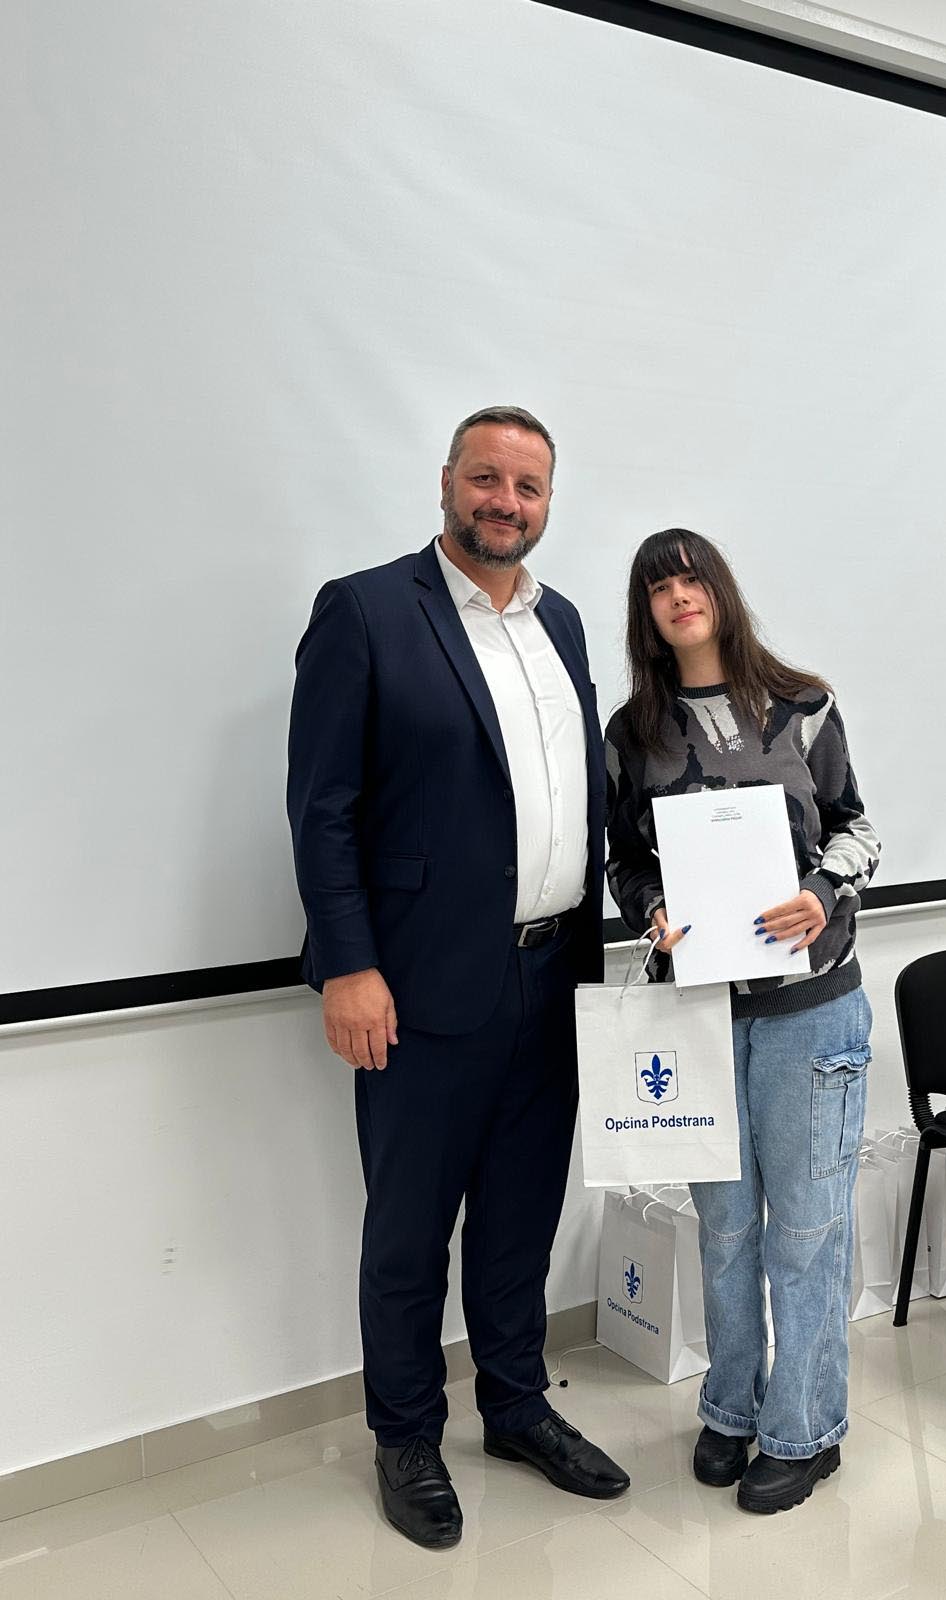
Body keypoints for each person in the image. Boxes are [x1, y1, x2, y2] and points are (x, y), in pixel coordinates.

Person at [287, 406, 629, 1551]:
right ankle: (407, 1436)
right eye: (487, 478)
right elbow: (323, 808)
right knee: (410, 1232)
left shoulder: (560, 619)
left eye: (528, 487)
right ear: (446, 482)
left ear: (548, 502)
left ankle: (518, 1409)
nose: (505, 502)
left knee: (522, 1220)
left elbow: (569, 795)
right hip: (420, 987)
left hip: (554, 976)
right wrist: (348, 965)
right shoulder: (366, 611)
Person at [604, 528, 881, 1515]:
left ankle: (804, 1431)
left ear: (719, 589)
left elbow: (858, 826)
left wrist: (820, 891)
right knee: (724, 1231)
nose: (679, 596)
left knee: (804, 1234)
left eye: (692, 578)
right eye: (659, 587)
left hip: (811, 1011)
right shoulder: (633, 732)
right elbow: (624, 862)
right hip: (701, 1016)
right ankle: (730, 1407)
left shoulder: (803, 704)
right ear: (646, 613)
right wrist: (651, 911)